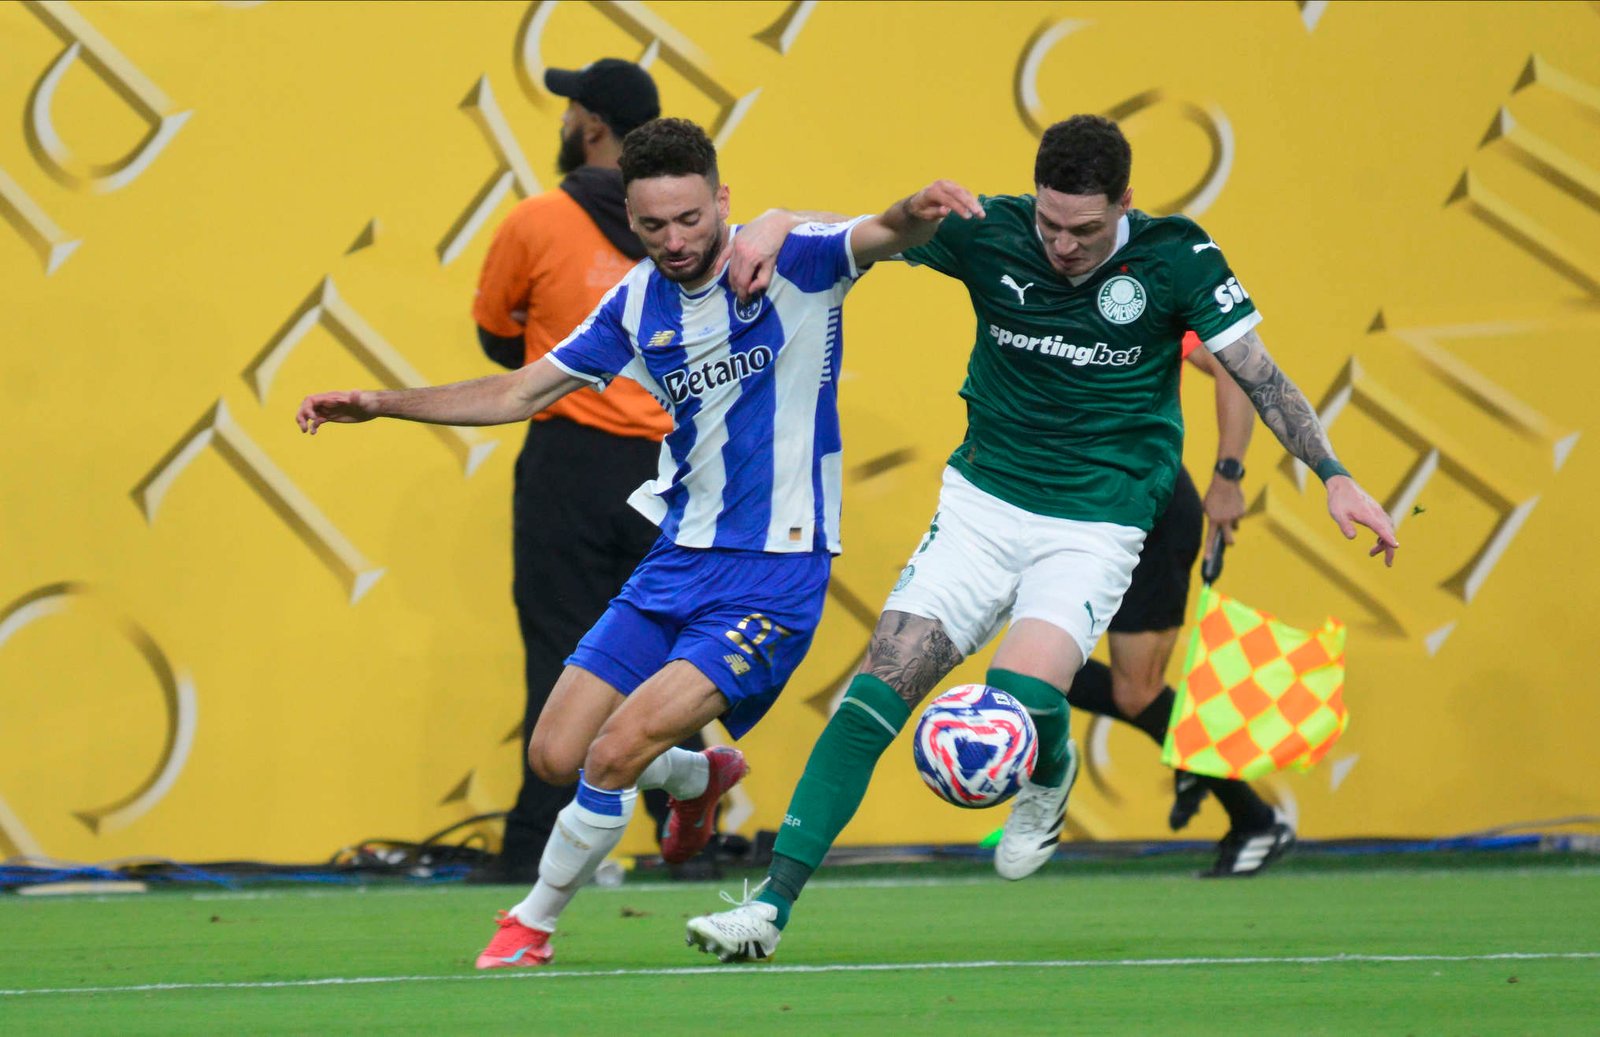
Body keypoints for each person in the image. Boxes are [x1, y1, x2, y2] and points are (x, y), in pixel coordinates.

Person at [686, 113, 1398, 963]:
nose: (1062, 246)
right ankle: (768, 910)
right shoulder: (991, 231)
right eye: (1051, 224)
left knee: (1019, 693)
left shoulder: (1176, 256)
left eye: (1084, 230)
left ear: (1126, 202)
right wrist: (771, 221)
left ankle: (1049, 766)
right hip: (982, 506)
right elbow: (855, 233)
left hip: (1096, 521)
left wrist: (1335, 474)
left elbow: (1259, 374)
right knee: (874, 694)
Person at [296, 117, 985, 968]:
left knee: (616, 750)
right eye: (653, 224)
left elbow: (886, 232)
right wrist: (381, 404)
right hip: (676, 560)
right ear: (631, 217)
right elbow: (519, 393)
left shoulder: (792, 260)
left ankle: (531, 925)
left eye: (691, 218)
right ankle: (696, 775)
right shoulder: (635, 302)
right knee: (555, 754)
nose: (675, 240)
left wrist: (907, 207)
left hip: (774, 574)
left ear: (722, 200)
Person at [470, 57, 695, 885]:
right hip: (669, 466)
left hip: (568, 459)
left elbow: (499, 338)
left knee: (560, 652)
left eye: (572, 108)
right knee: (676, 658)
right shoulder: (687, 229)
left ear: (592, 125)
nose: (565, 119)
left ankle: (533, 846)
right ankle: (691, 835)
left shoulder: (537, 220)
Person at [1064, 332, 1294, 878]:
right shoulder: (1029, 302)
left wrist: (1228, 477)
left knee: (1136, 692)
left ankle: (1256, 819)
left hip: (1152, 514)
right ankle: (1185, 748)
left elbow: (1234, 365)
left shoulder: (1138, 300)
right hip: (1077, 514)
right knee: (1042, 671)